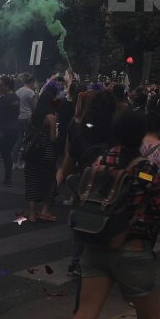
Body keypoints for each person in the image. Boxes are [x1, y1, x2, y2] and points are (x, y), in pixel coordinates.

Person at [60, 110, 160, 319]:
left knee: (83, 318)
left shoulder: (99, 162)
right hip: (132, 251)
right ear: (141, 134)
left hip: (96, 243)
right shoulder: (145, 169)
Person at [58, 90, 116, 276]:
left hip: (85, 186)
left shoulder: (81, 133)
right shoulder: (116, 136)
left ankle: (75, 263)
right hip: (110, 189)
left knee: (82, 224)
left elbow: (66, 168)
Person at [23, 86, 59, 222]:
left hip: (32, 154)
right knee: (48, 182)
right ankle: (44, 211)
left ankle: (32, 214)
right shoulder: (51, 117)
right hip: (46, 153)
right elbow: (53, 138)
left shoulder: (31, 117)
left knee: (32, 181)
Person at [15, 73, 36, 169]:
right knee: (27, 140)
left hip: (19, 117)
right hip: (28, 118)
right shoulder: (31, 93)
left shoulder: (18, 91)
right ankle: (24, 161)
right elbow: (34, 107)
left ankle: (14, 162)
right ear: (31, 82)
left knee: (18, 140)